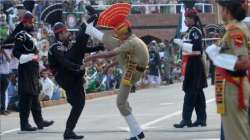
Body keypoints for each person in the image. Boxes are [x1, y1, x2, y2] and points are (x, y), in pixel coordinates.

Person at [84, 3, 149, 140]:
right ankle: (135, 134)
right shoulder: (134, 40)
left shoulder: (130, 43)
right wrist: (109, 66)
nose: (118, 38)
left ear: (124, 34)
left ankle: (138, 133)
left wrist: (92, 56)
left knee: (120, 103)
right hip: (134, 68)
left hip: (132, 71)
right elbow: (123, 57)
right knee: (124, 103)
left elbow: (111, 53)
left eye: (119, 35)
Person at [48, 22, 104, 139]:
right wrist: (78, 67)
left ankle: (69, 131)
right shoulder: (55, 47)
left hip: (72, 75)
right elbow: (64, 62)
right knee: (78, 103)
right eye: (66, 32)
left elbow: (81, 50)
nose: (68, 33)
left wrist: (99, 47)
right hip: (64, 76)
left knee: (79, 102)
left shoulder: (68, 44)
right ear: (60, 34)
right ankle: (87, 27)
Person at [206, 0, 250, 139]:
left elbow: (244, 62)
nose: (220, 12)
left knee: (236, 133)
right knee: (231, 131)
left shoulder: (235, 30)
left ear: (227, 10)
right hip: (228, 86)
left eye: (221, 8)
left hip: (233, 87)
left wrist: (220, 60)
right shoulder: (231, 29)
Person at [12, 11, 54, 131]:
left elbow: (36, 54)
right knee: (26, 96)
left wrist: (40, 64)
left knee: (35, 96)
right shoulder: (21, 35)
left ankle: (39, 122)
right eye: (31, 22)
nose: (33, 24)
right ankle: (24, 124)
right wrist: (31, 57)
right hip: (25, 69)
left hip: (33, 69)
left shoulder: (30, 35)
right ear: (25, 22)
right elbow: (16, 52)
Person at [173, 8, 208, 128]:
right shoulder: (190, 31)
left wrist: (183, 45)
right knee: (198, 94)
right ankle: (201, 119)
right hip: (190, 64)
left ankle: (186, 119)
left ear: (192, 19)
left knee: (190, 93)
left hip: (195, 65)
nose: (185, 21)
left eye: (187, 19)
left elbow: (197, 50)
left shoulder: (195, 31)